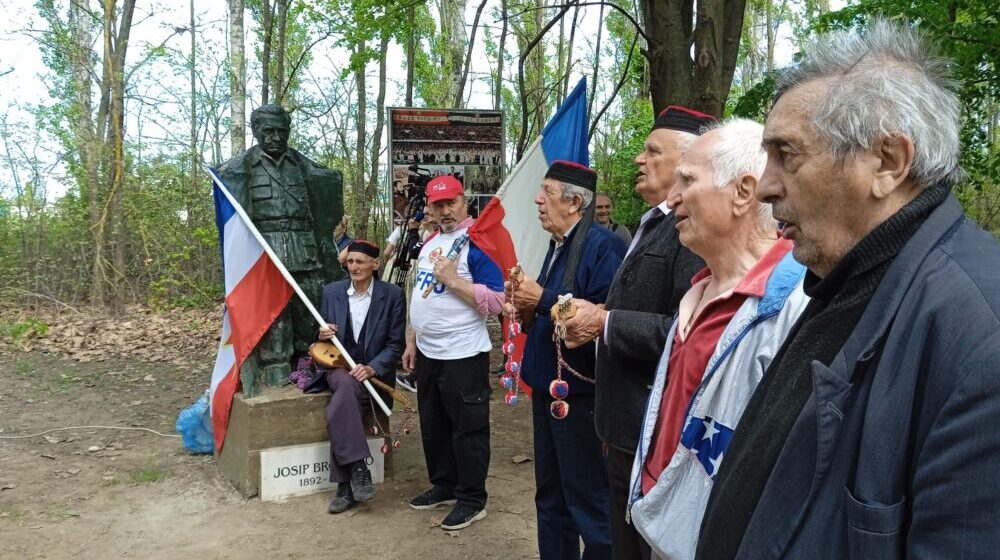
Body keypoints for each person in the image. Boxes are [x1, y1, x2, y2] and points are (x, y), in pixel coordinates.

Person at [696, 21, 1000, 559]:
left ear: (888, 162)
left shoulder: (980, 339)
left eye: (787, 155)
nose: (764, 187)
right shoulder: (847, 277)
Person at [622, 119, 808, 559]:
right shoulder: (699, 291)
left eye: (687, 180)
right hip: (664, 526)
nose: (672, 197)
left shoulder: (796, 305)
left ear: (743, 192)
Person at [559, 105, 712, 560]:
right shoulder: (655, 222)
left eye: (652, 151)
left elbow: (689, 331)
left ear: (687, 163)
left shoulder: (689, 228)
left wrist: (604, 322)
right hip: (625, 423)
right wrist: (598, 316)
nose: (638, 159)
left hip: (653, 428)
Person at [507, 161, 627, 560]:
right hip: (549, 387)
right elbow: (552, 310)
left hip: (579, 394)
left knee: (588, 501)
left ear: (575, 202)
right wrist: (525, 306)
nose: (538, 200)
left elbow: (599, 317)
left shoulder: (603, 246)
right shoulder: (558, 244)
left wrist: (539, 298)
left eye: (547, 192)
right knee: (551, 497)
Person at [215, 104, 341, 397]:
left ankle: (309, 363)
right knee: (274, 314)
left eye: (281, 131)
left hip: (304, 248)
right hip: (266, 252)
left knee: (309, 308)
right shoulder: (240, 169)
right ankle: (276, 371)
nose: (275, 137)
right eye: (268, 131)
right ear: (255, 131)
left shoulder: (303, 166)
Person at [402, 175, 504, 531]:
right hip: (428, 351)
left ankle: (472, 499)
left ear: (465, 202)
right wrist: (413, 338)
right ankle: (444, 484)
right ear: (430, 208)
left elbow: (498, 301)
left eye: (451, 203)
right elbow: (421, 292)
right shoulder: (431, 240)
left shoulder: (479, 242)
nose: (445, 210)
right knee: (434, 424)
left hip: (463, 353)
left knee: (468, 429)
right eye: (438, 205)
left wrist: (455, 281)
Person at [312, 240, 405, 514]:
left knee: (344, 400)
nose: (353, 267)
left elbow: (395, 345)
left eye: (360, 261)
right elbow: (318, 338)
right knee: (345, 386)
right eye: (350, 261)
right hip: (339, 366)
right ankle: (358, 468)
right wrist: (321, 334)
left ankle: (345, 484)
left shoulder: (393, 295)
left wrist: (373, 367)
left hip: (374, 372)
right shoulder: (332, 292)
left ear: (375, 264)